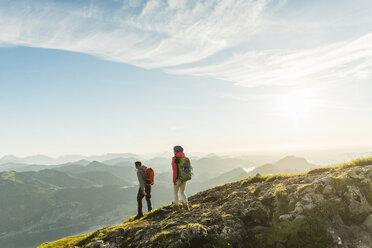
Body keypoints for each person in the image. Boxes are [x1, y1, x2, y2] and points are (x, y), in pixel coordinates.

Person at [172, 145, 190, 210]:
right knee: (182, 192)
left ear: (175, 151)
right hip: (184, 177)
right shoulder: (184, 157)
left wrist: (174, 180)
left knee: (175, 192)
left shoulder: (174, 158)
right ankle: (186, 205)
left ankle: (176, 206)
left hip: (177, 178)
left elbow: (175, 170)